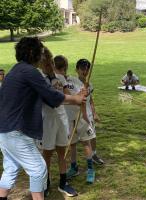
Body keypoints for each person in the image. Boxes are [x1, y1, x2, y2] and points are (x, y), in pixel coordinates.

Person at [0, 37, 86, 200]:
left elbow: (48, 95)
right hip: (16, 132)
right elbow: (51, 95)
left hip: (5, 131)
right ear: (33, 53)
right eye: (40, 52)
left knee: (11, 168)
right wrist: (75, 99)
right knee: (39, 169)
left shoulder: (16, 71)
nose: (43, 56)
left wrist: (75, 96)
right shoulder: (29, 71)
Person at [38, 49, 77, 197]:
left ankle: (63, 182)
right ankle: (45, 183)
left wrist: (81, 94)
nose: (49, 65)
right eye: (45, 63)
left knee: (62, 152)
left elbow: (69, 96)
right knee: (47, 154)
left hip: (61, 119)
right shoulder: (39, 79)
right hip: (47, 120)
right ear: (41, 64)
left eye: (51, 62)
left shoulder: (60, 78)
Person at [64, 59, 97, 184]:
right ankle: (74, 168)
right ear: (76, 69)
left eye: (87, 68)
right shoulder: (69, 81)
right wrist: (80, 93)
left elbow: (86, 101)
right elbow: (70, 97)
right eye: (82, 68)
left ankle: (90, 170)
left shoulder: (88, 85)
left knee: (86, 143)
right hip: (69, 117)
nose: (85, 71)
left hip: (81, 118)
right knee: (72, 144)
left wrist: (90, 115)